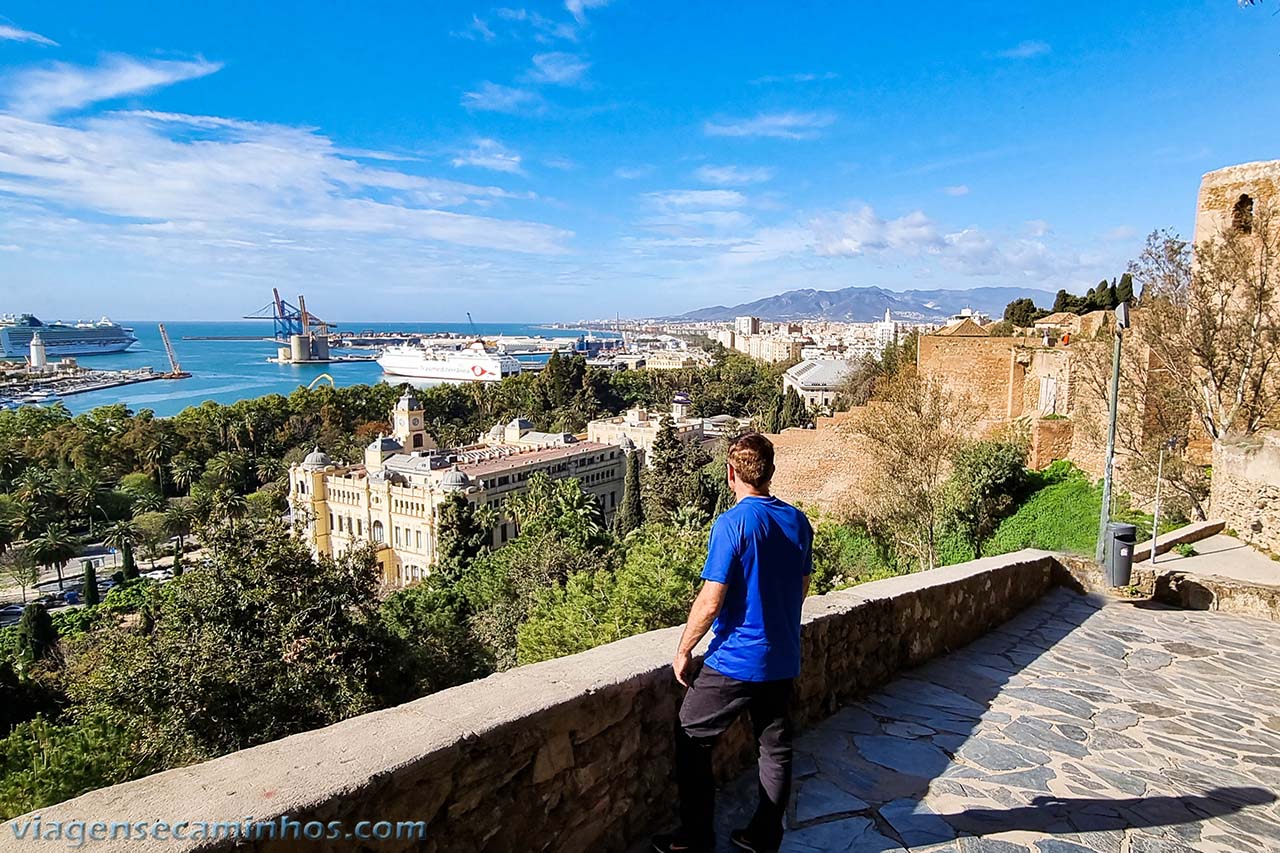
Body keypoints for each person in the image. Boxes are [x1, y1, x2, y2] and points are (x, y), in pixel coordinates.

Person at [652, 432, 813, 853]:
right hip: (781, 657)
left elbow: (710, 600)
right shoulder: (797, 521)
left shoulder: (732, 524)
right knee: (774, 749)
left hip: (736, 659)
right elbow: (801, 588)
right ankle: (764, 836)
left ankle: (695, 837)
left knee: (691, 736)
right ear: (770, 472)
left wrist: (684, 649)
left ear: (730, 474)